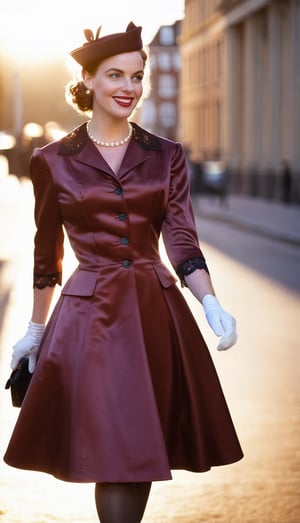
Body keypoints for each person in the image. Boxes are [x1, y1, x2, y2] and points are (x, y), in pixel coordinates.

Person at [4, 22, 243, 523]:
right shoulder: (52, 161)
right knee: (115, 454)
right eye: (115, 75)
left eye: (137, 77)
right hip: (90, 320)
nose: (129, 88)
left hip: (156, 313)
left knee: (137, 453)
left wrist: (210, 300)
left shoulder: (167, 156)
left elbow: (181, 237)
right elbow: (47, 252)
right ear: (88, 80)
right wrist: (33, 329)